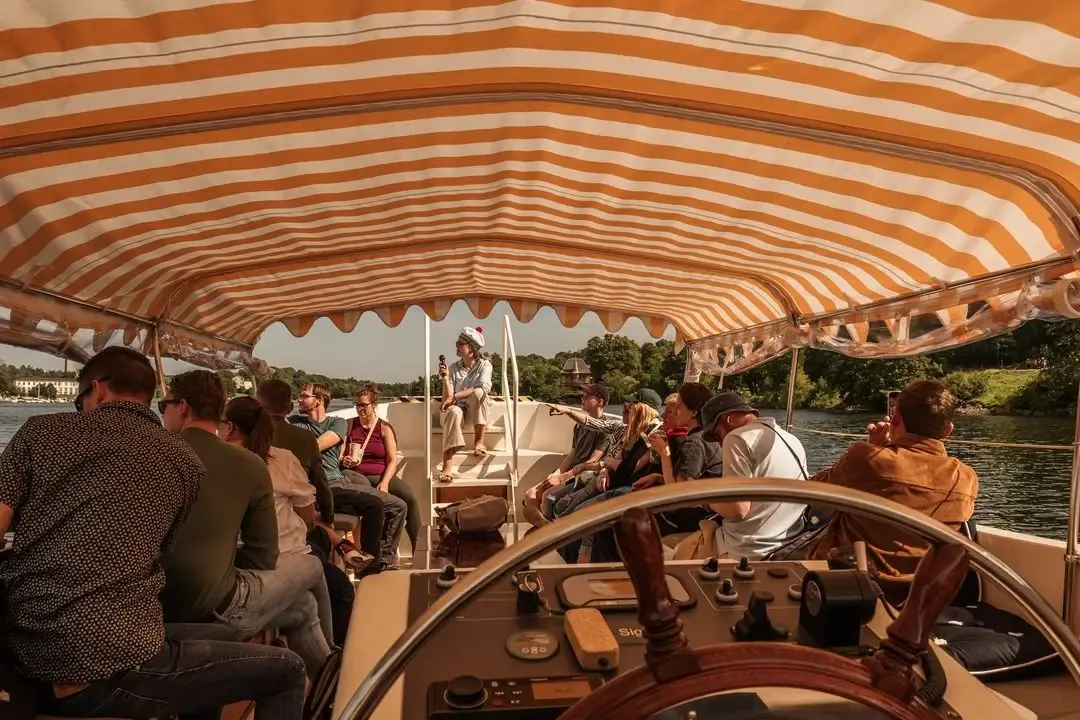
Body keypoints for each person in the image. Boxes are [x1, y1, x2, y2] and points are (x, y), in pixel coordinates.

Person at [0, 347, 306, 718]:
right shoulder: (183, 460)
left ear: (96, 389)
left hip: (28, 645)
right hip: (107, 662)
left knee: (226, 638)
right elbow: (158, 549)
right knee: (288, 671)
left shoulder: (39, 431)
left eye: (80, 401)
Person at [160, 371, 330, 679]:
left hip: (159, 603)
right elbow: (264, 556)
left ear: (182, 407)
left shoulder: (153, 457)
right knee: (313, 565)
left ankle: (329, 678)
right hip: (215, 608)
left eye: (163, 406)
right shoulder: (250, 463)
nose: (162, 414)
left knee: (304, 606)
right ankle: (335, 673)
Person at [807, 379, 979, 605]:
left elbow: (814, 495)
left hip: (851, 588)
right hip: (919, 596)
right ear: (948, 431)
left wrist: (875, 448)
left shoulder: (867, 458)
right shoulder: (966, 478)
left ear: (895, 417)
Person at [219, 396, 338, 647]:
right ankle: (332, 648)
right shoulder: (280, 459)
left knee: (306, 603)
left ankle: (327, 658)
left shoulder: (216, 463)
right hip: (274, 561)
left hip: (235, 565)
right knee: (316, 565)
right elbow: (307, 514)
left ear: (229, 427)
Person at [291, 382, 406, 571]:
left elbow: (316, 446)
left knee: (399, 505)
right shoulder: (295, 422)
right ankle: (371, 567)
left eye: (304, 396)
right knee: (381, 505)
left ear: (319, 400)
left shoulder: (337, 423)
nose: (299, 399)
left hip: (339, 482)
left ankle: (384, 560)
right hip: (323, 487)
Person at [698, 392, 808, 559]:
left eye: (716, 435)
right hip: (790, 546)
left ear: (728, 419)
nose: (719, 443)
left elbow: (737, 510)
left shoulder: (736, 438)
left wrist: (705, 498)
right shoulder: (793, 440)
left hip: (746, 551)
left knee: (669, 548)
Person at [521, 383, 613, 527]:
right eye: (583, 396)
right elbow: (572, 454)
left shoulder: (606, 430)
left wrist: (561, 477)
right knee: (530, 494)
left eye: (588, 397)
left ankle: (549, 532)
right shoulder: (579, 426)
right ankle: (543, 530)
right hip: (569, 472)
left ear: (600, 402)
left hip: (580, 476)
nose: (582, 399)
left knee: (547, 496)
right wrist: (557, 472)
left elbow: (591, 462)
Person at [343, 384, 421, 552]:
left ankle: (419, 548)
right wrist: (346, 460)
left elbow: (392, 460)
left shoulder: (384, 428)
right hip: (356, 474)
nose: (360, 408)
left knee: (410, 499)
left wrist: (385, 482)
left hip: (380, 474)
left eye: (364, 405)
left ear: (374, 405)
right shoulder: (349, 426)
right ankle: (370, 551)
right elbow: (340, 456)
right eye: (357, 404)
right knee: (371, 499)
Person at [437, 326, 494, 481]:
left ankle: (479, 442)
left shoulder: (485, 366)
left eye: (460, 343)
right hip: (458, 413)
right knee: (453, 411)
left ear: (472, 349)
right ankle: (447, 466)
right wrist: (445, 378)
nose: (456, 345)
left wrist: (455, 396)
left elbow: (483, 387)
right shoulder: (453, 368)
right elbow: (447, 400)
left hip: (475, 412)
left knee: (479, 392)